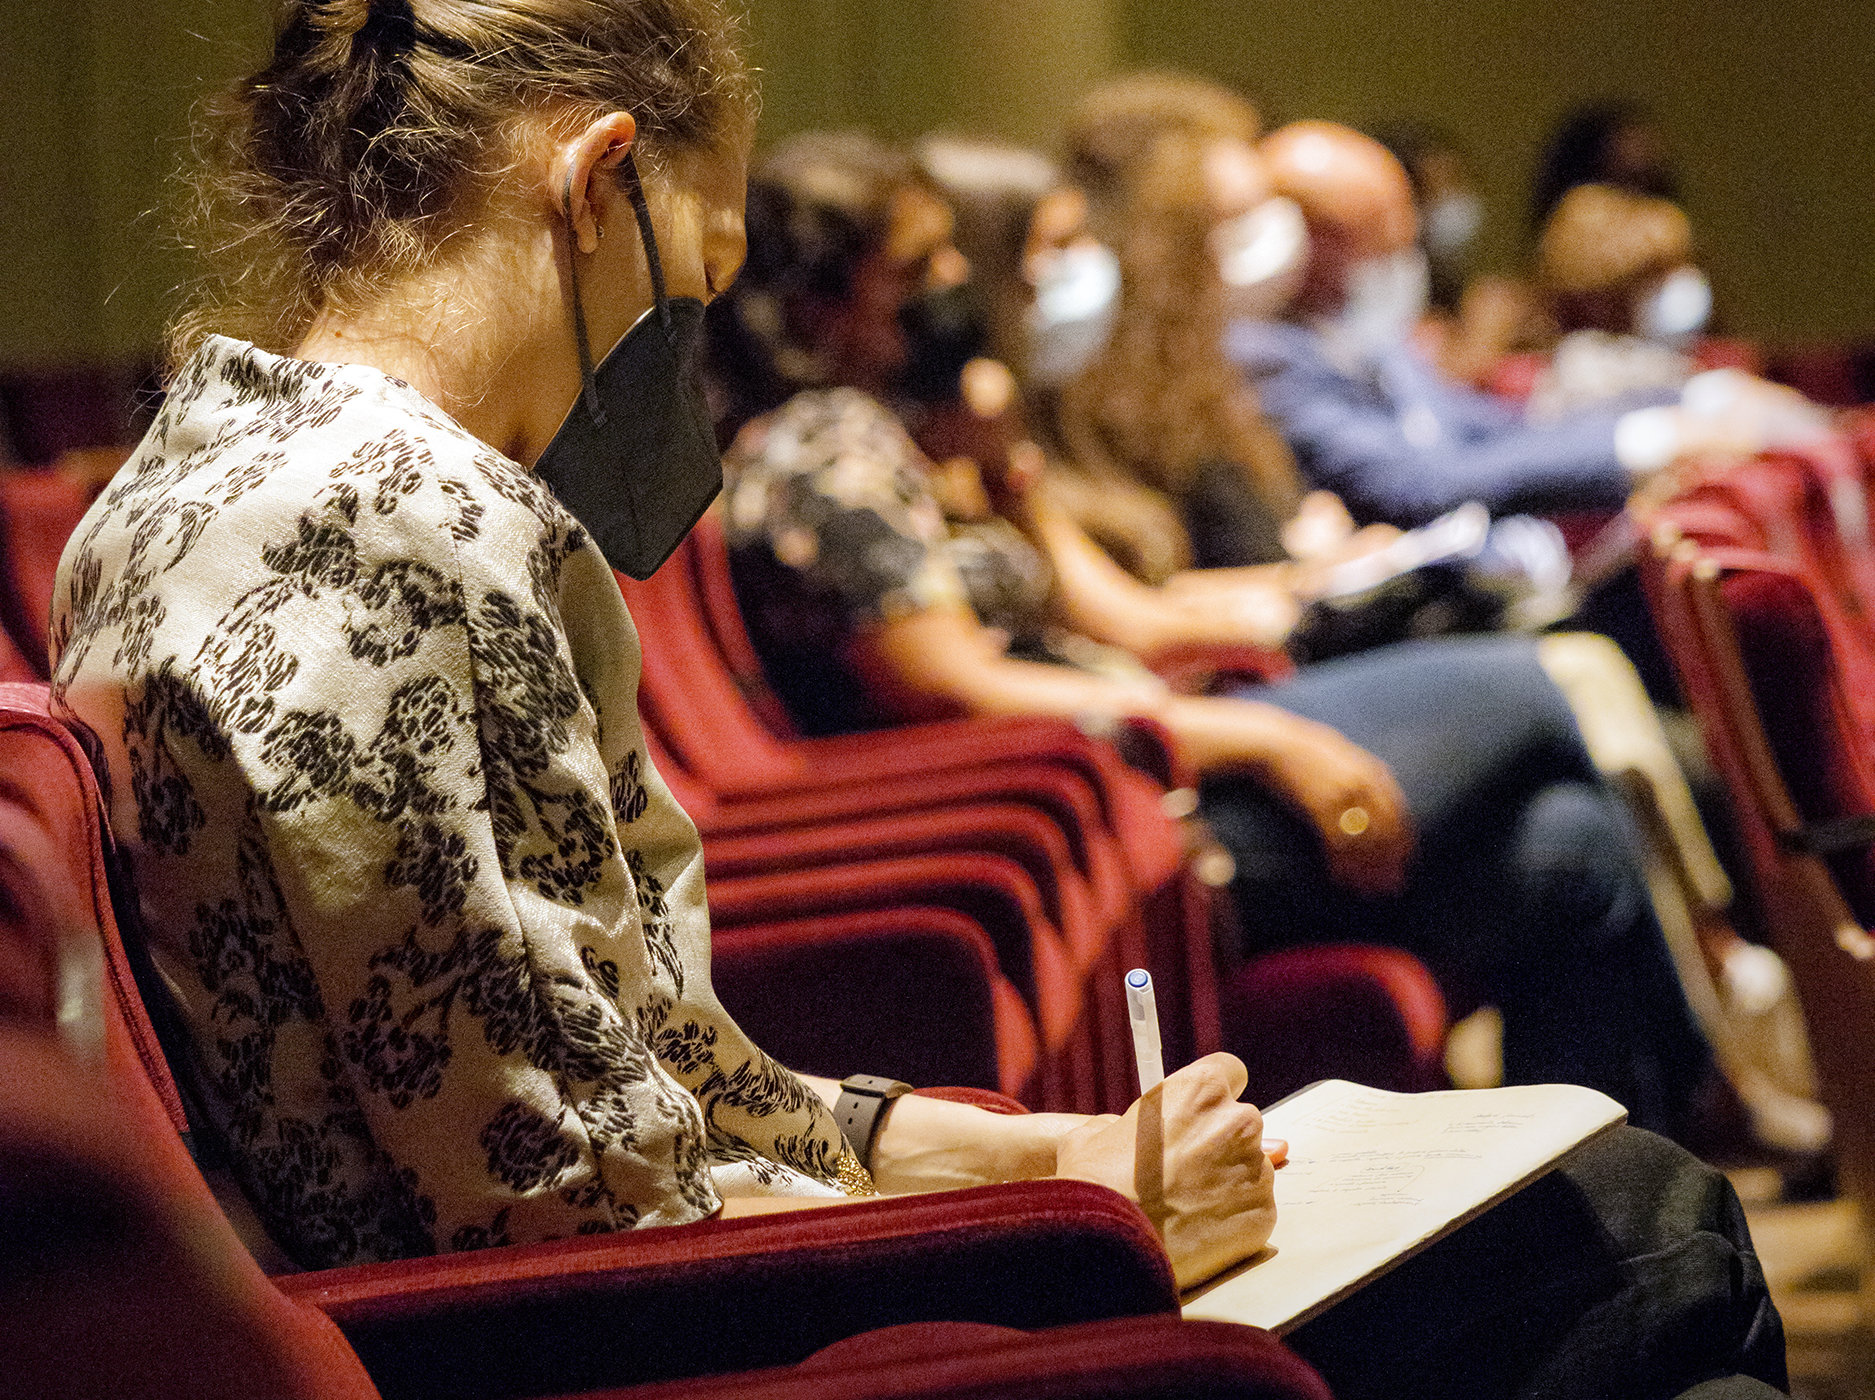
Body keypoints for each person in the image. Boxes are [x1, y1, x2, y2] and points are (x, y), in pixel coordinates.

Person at [47, 0, 1279, 1293]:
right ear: (593, 184)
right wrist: (1082, 1230)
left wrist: (1022, 1159)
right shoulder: (392, 522)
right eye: (695, 282)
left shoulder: (197, 478)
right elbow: (572, 1215)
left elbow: (650, 1065)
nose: (685, 358)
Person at [715, 128, 1730, 1136]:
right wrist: (1262, 737)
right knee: (1536, 684)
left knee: (1571, 849)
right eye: (914, 267)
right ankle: (1712, 1076)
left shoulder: (904, 432)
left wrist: (1005, 470)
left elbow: (1105, 612)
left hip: (1155, 757)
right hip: (1121, 810)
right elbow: (962, 689)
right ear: (817, 304)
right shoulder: (819, 450)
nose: (950, 284)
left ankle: (1595, 1234)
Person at [1224, 120, 1793, 529]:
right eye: (1374, 235)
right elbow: (1420, 486)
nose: (1403, 253)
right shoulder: (1264, 358)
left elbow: (1504, 428)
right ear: (1302, 240)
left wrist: (1691, 400)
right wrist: (1653, 441)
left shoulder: (1365, 343)